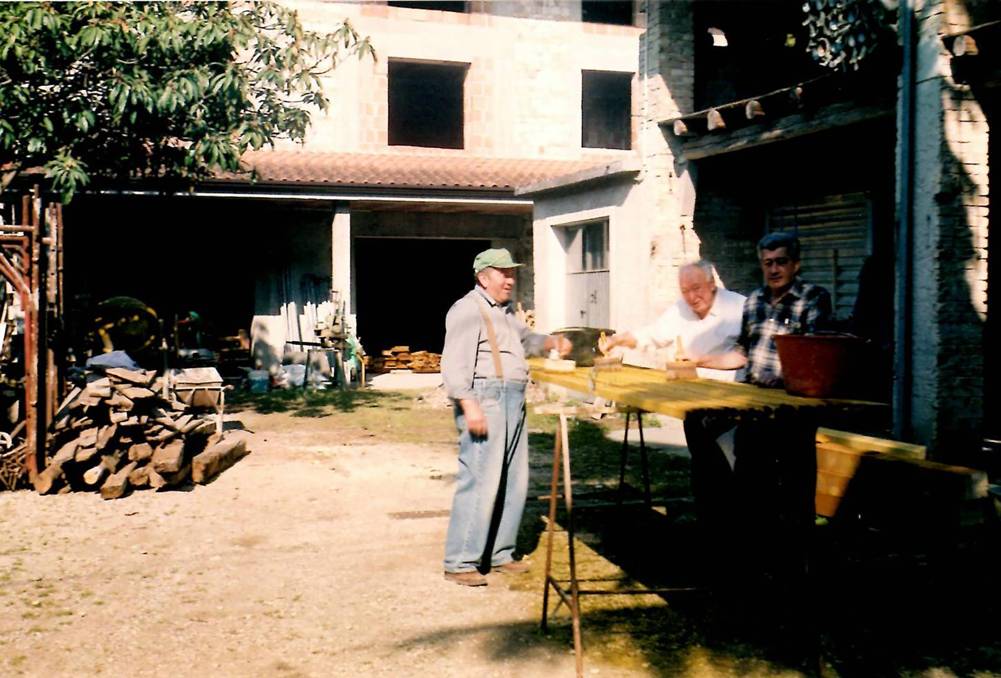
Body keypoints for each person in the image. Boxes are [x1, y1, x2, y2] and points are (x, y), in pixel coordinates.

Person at [440, 247, 571, 587]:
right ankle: (461, 561)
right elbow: (454, 364)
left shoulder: (503, 313)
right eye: (503, 273)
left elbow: (526, 340)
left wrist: (552, 342)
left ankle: (500, 553)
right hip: (487, 399)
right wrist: (470, 406)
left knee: (514, 481)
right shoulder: (467, 310)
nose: (511, 279)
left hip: (513, 399)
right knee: (480, 479)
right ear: (484, 277)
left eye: (512, 272)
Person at [598, 260, 746, 550]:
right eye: (685, 290)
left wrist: (701, 364)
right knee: (704, 472)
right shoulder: (680, 309)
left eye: (697, 288)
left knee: (736, 474)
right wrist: (618, 339)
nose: (692, 297)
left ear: (712, 284)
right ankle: (711, 540)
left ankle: (740, 540)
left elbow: (748, 358)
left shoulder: (739, 308)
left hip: (734, 404)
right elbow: (651, 335)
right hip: (694, 404)